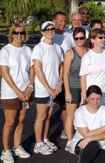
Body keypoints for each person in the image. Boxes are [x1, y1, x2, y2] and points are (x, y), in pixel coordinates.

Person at [0, 23, 33, 163]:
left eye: (21, 33)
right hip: (10, 92)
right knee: (9, 122)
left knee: (21, 121)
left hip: (25, 90)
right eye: (16, 32)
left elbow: (31, 69)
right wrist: (17, 91)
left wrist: (30, 86)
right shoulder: (5, 51)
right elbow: (5, 74)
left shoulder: (27, 49)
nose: (19, 35)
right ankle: (6, 151)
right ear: (12, 34)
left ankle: (17, 146)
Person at [32, 21, 64, 155]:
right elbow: (38, 70)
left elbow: (61, 66)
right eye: (47, 29)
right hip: (43, 89)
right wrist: (48, 87)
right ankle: (38, 144)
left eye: (52, 29)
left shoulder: (57, 47)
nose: (50, 31)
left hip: (54, 89)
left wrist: (59, 83)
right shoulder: (39, 48)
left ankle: (45, 139)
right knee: (41, 116)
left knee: (49, 115)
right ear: (42, 32)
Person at [70, 85, 105, 163]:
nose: (95, 102)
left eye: (98, 99)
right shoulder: (80, 112)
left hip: (102, 145)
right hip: (82, 143)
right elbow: (86, 134)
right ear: (87, 98)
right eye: (92, 99)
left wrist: (90, 138)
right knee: (93, 146)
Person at [63, 27, 89, 153]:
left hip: (85, 87)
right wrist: (67, 92)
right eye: (76, 38)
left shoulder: (89, 51)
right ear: (74, 39)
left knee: (81, 114)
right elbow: (65, 74)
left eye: (81, 38)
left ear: (85, 38)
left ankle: (79, 138)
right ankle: (69, 141)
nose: (79, 40)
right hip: (73, 87)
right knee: (70, 115)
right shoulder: (70, 53)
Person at [80, 29, 105, 108]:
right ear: (92, 40)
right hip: (92, 97)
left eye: (104, 37)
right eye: (100, 38)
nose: (103, 40)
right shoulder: (87, 56)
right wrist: (84, 95)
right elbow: (83, 78)